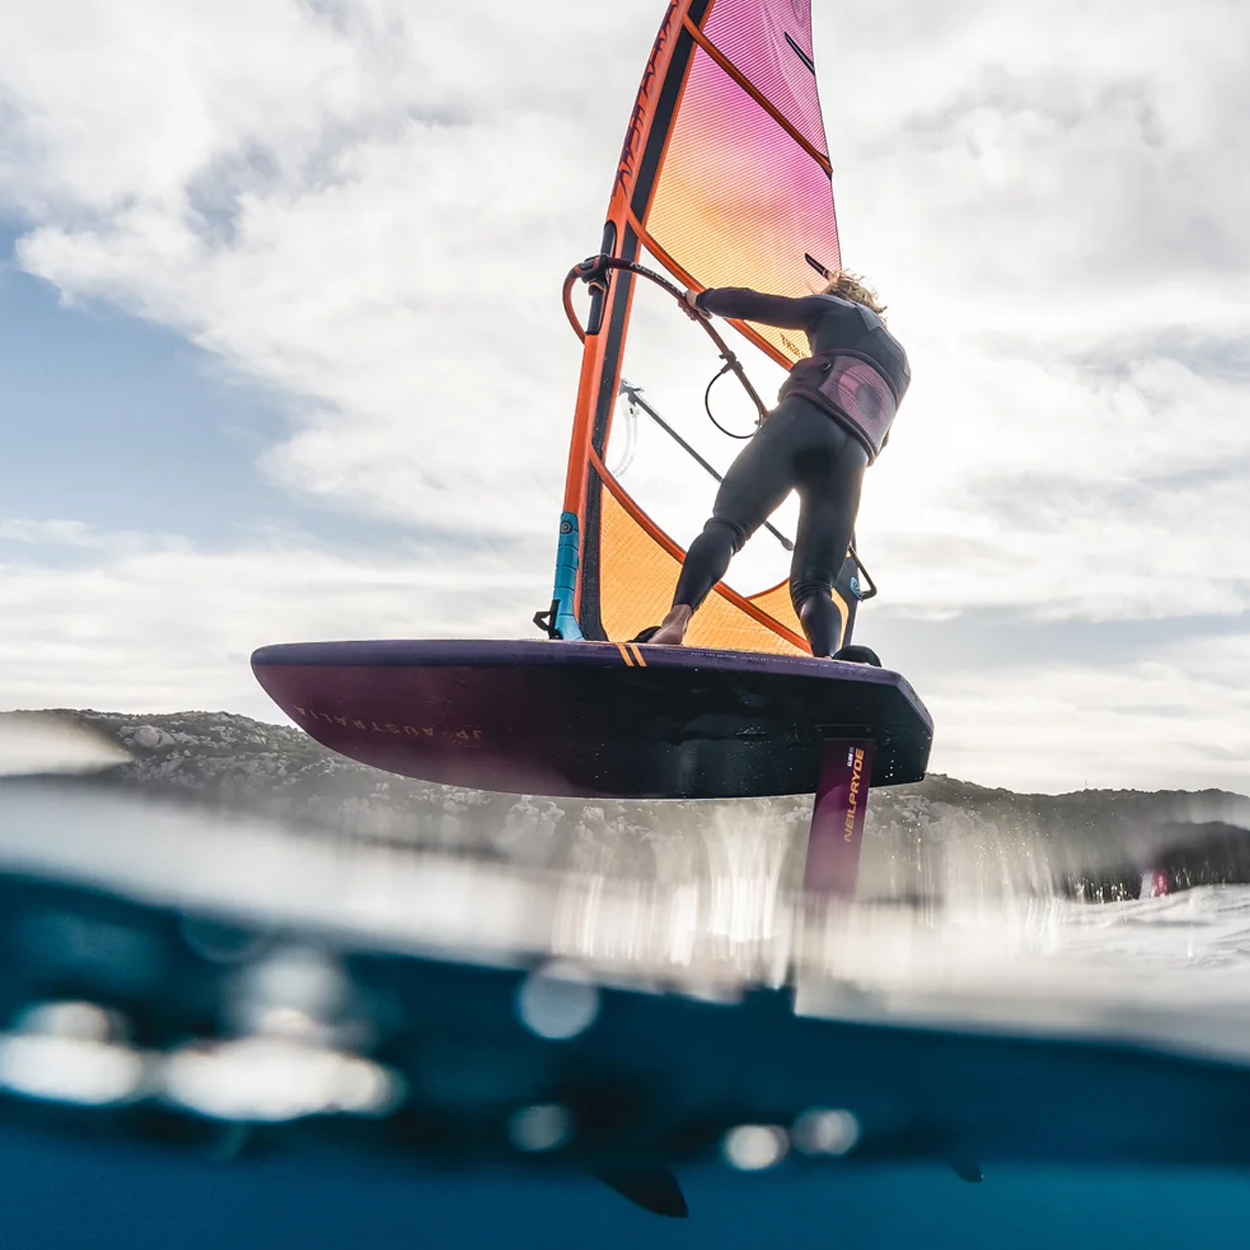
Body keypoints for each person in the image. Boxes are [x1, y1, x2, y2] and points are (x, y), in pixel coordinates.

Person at [644, 272, 910, 657]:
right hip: (851, 460)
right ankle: (828, 663)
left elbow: (755, 303)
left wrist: (700, 300)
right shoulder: (902, 366)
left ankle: (675, 623)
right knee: (814, 585)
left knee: (728, 526)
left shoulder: (837, 308)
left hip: (803, 419)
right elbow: (882, 437)